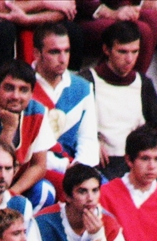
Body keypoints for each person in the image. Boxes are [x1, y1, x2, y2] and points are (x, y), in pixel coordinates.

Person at [79, 21, 157, 181]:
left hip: (139, 163)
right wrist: (91, 141)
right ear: (106, 50)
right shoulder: (87, 81)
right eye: (122, 51)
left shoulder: (143, 83)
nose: (129, 59)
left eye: (135, 52)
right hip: (104, 164)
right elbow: (71, 126)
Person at [0, 60, 57, 210]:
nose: (16, 96)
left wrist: (12, 193)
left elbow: (39, 165)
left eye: (23, 90)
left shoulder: (38, 111)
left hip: (14, 186)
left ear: (32, 93)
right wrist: (9, 129)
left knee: (45, 191)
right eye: (9, 88)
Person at [30, 163, 124, 241]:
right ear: (67, 196)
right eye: (82, 191)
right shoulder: (42, 222)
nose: (90, 198)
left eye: (95, 190)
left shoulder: (110, 222)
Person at [30, 23, 99, 192]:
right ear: (37, 53)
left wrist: (79, 170)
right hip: (36, 168)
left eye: (66, 51)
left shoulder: (82, 88)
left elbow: (88, 139)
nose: (63, 59)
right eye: (54, 52)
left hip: (74, 170)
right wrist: (64, 167)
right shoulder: (21, 86)